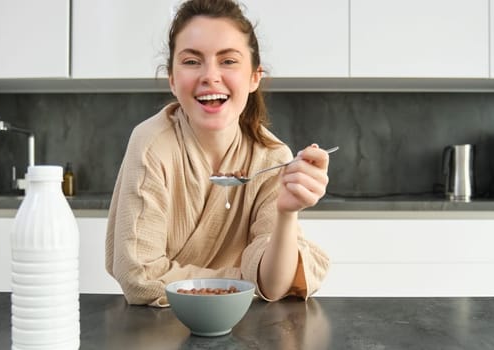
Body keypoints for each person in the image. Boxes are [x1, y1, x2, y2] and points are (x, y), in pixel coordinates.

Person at [105, 0, 331, 307]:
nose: (210, 76)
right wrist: (245, 280)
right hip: (158, 327)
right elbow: (139, 277)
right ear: (172, 79)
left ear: (254, 77)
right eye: (191, 61)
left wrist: (286, 213)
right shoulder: (151, 145)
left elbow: (275, 286)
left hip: (241, 326)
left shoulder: (272, 158)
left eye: (228, 61)